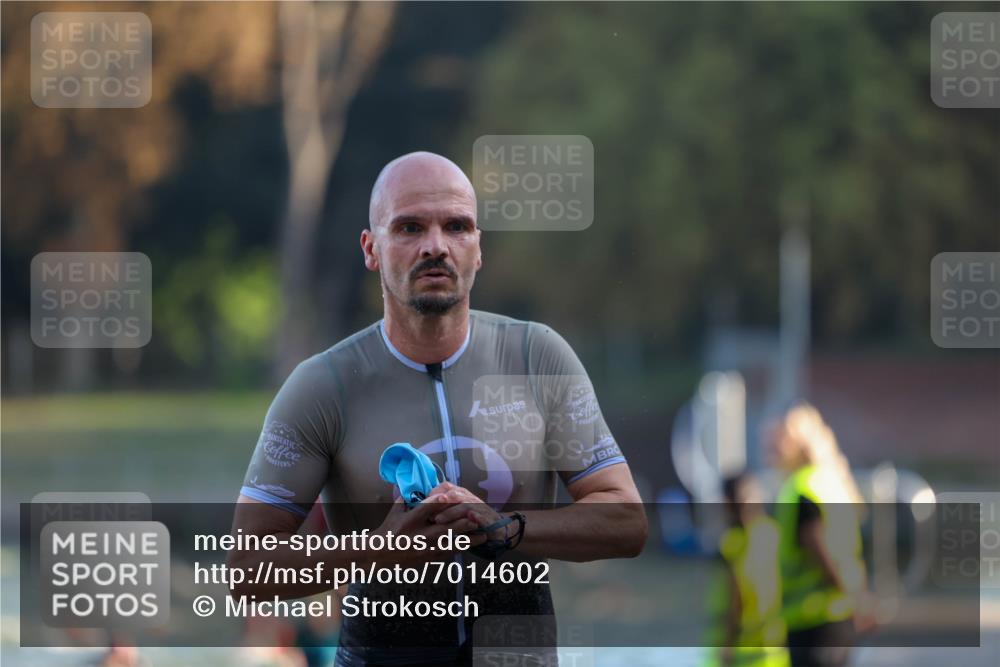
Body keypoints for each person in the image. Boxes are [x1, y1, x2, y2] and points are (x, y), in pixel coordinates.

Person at [228, 151, 647, 666]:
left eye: (457, 227)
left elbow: (627, 520)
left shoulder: (537, 356)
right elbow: (247, 569)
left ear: (478, 248)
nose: (435, 246)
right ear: (371, 248)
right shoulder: (323, 385)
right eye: (408, 227)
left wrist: (506, 529)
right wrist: (380, 552)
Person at [764, 403, 869, 667]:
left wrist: (857, 599)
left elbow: (820, 550)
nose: (771, 446)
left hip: (811, 618)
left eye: (780, 438)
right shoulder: (831, 482)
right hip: (837, 613)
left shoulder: (801, 489)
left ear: (799, 444)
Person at [702, 474, 789, 667]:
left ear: (726, 503)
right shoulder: (774, 533)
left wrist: (727, 644)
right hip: (773, 646)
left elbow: (736, 597)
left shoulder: (731, 543)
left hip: (736, 648)